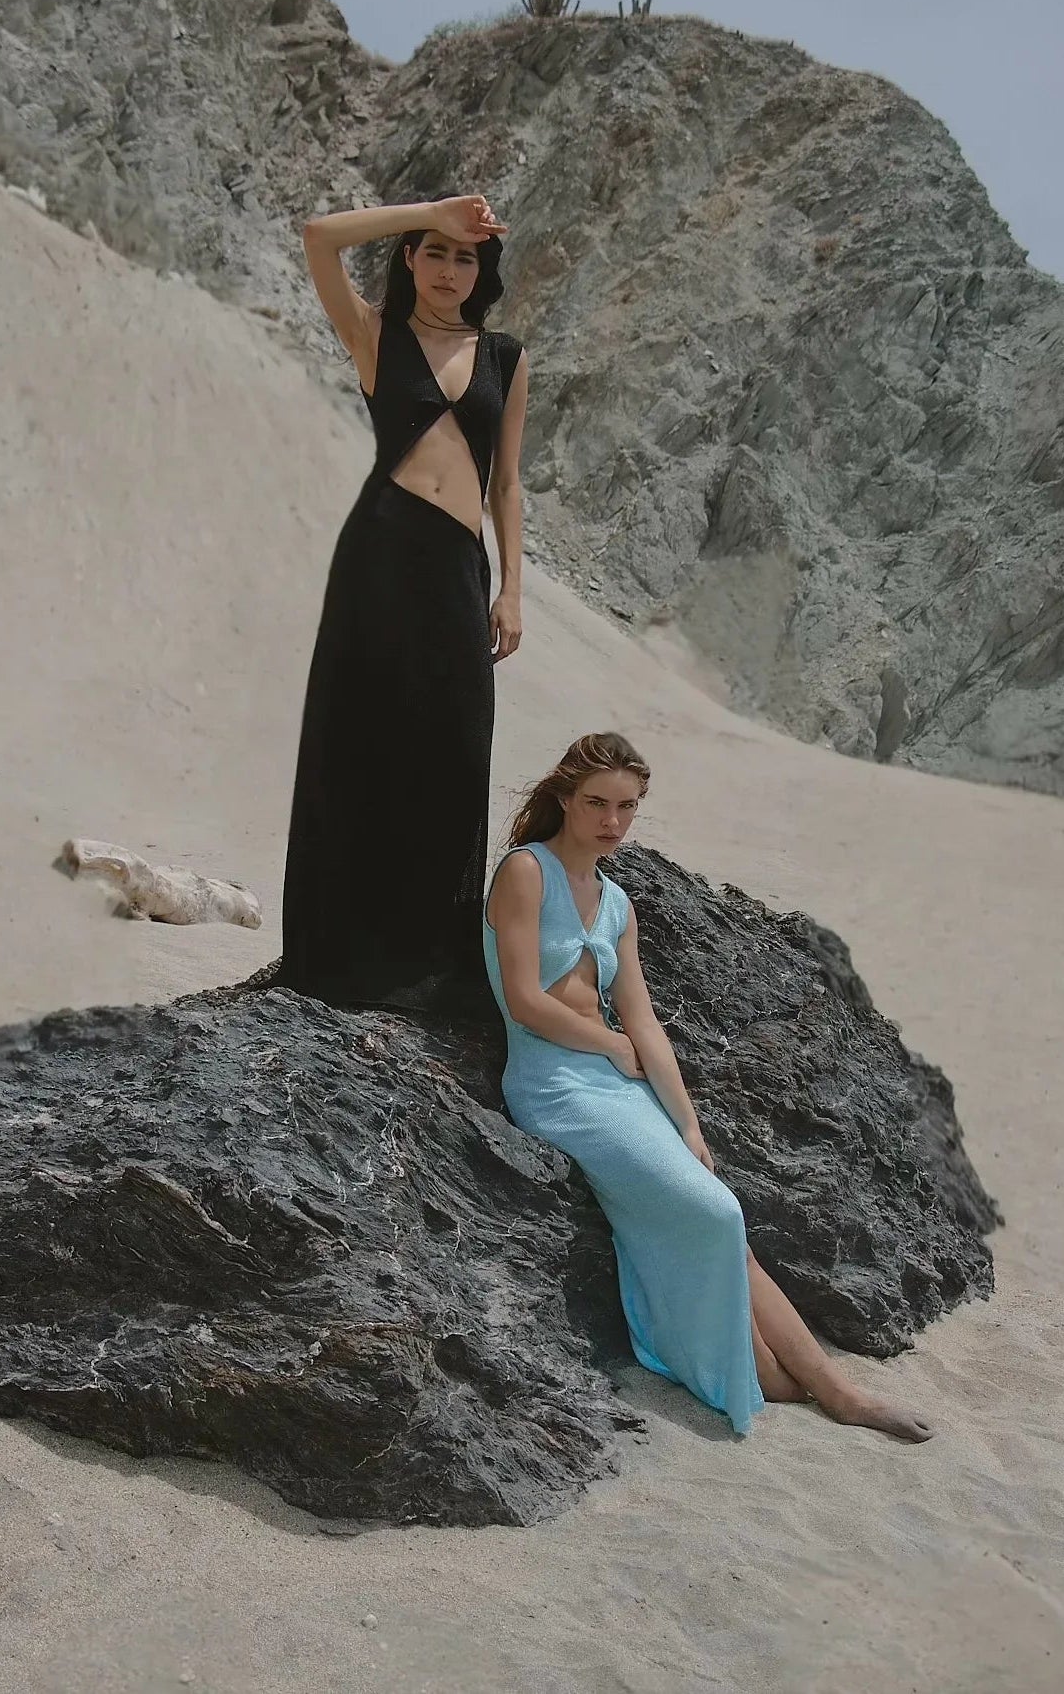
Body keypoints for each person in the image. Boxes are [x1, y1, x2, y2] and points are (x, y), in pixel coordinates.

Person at [483, 731, 934, 1440]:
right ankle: (810, 1386)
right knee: (718, 1218)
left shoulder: (617, 902)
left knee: (722, 1213)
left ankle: (830, 1389)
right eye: (597, 803)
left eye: (627, 807)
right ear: (565, 799)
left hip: (616, 1083)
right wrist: (610, 1044)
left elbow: (646, 1023)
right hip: (553, 1086)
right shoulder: (524, 872)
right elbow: (522, 1000)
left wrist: (688, 1126)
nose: (612, 821)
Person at [280, 194, 527, 1010]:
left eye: (464, 258)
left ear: (480, 272)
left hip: (459, 566)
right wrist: (433, 211)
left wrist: (513, 588)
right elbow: (318, 238)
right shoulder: (376, 335)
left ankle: (430, 956)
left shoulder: (505, 355)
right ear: (411, 260)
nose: (449, 270)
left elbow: (508, 483)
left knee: (455, 745)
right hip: (379, 554)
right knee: (360, 741)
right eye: (433, 253)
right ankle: (342, 956)